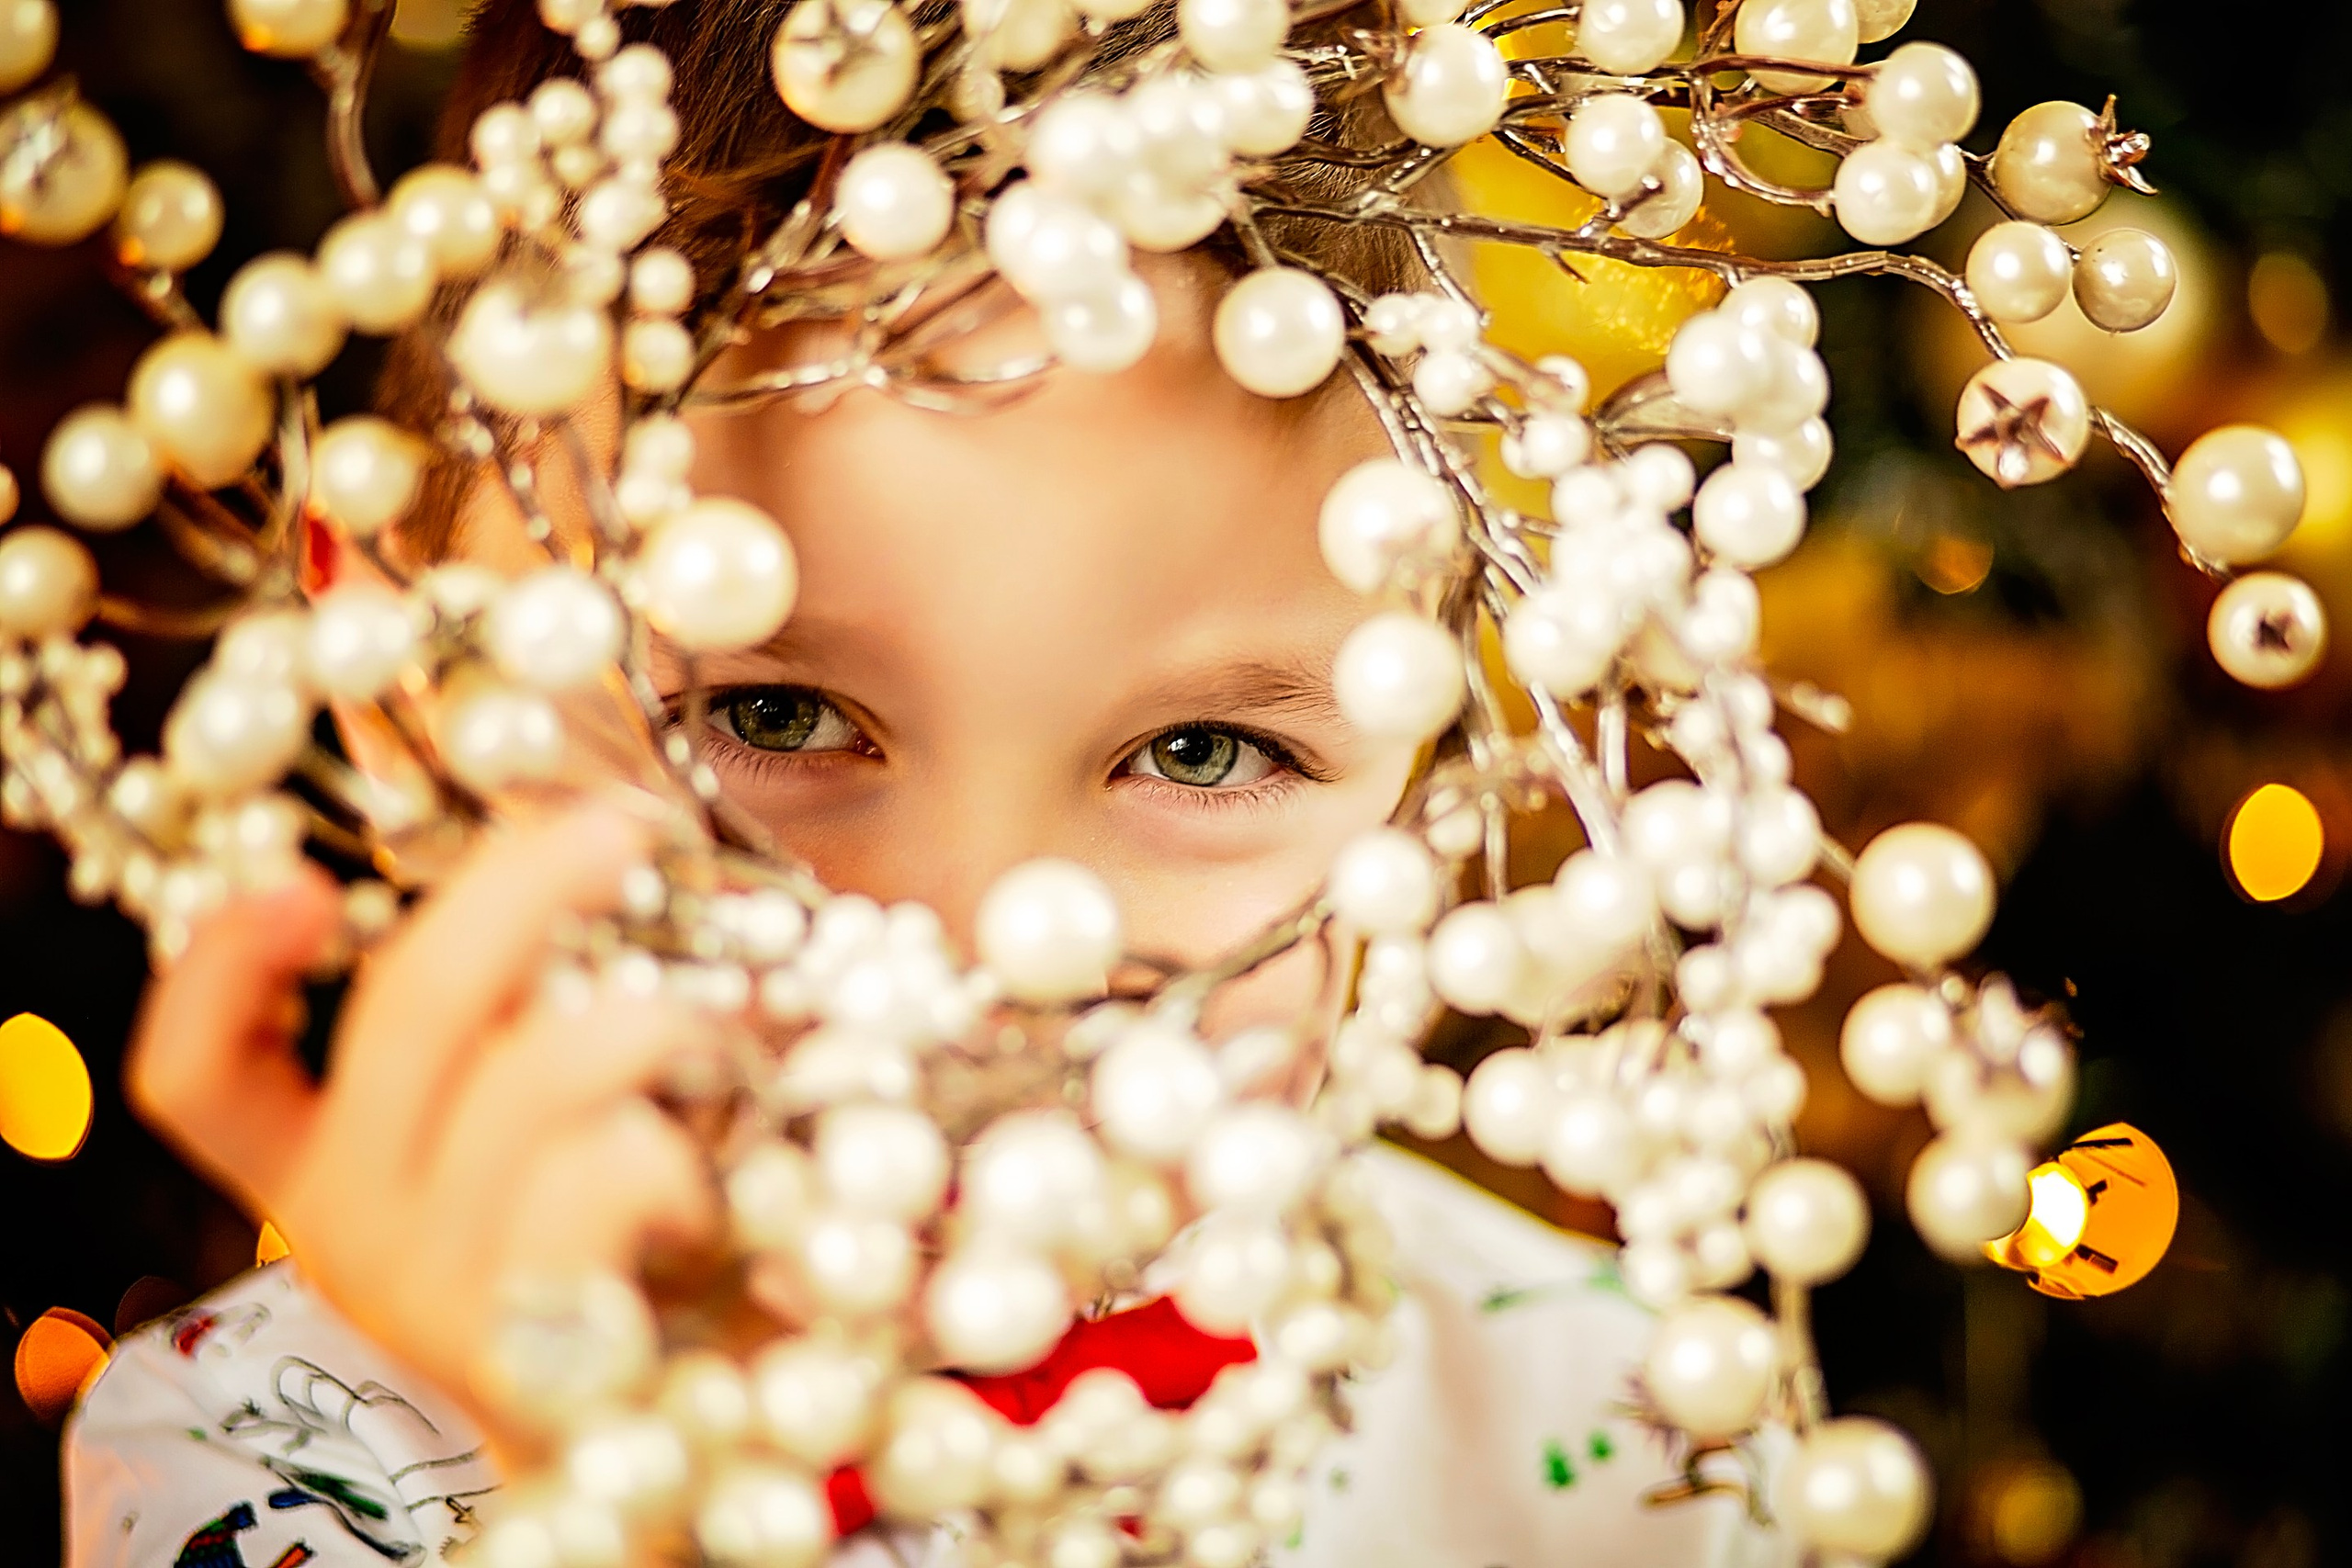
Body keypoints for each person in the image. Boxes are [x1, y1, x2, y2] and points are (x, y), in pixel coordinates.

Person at [62, 4, 1791, 1565]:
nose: (982, 974)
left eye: (1206, 753)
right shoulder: (257, 1474)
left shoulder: (1637, 1437)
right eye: (778, 721)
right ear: (399, 684)